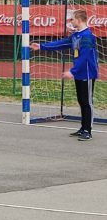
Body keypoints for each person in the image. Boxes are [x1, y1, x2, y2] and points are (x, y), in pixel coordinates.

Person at [30, 9, 98, 141]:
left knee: (87, 102)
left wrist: (72, 71)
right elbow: (61, 44)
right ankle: (83, 128)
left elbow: (85, 57)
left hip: (87, 74)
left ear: (79, 20)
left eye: (72, 19)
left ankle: (88, 130)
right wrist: (41, 46)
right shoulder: (76, 36)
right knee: (81, 100)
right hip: (79, 73)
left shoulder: (87, 36)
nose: (71, 21)